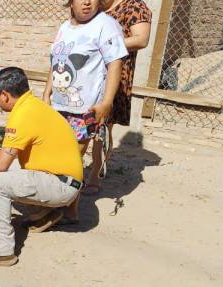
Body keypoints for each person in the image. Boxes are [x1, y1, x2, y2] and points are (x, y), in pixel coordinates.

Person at [0, 67, 84, 266]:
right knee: (4, 169)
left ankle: (0, 251)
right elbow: (4, 154)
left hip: (61, 185)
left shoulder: (22, 115)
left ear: (5, 95)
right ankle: (47, 212)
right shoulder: (32, 105)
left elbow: (1, 164)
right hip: (64, 180)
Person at [43, 0, 127, 206]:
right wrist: (47, 92)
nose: (87, 2)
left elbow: (115, 63)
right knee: (57, 156)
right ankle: (62, 205)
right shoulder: (65, 27)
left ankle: (67, 208)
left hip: (86, 108)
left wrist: (107, 102)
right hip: (59, 106)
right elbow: (57, 63)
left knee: (71, 159)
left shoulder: (105, 25)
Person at [103, 0, 152, 182]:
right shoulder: (93, 5)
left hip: (115, 73)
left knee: (103, 126)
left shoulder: (135, 6)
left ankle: (95, 174)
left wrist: (104, 44)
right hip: (87, 72)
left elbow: (141, 39)